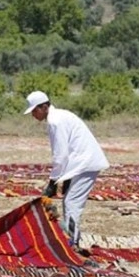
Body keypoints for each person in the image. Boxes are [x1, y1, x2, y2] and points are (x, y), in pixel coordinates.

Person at [24, 91, 109, 250]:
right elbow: (68, 150)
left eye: (35, 110)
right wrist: (65, 178)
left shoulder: (56, 121)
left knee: (71, 202)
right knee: (68, 201)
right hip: (80, 163)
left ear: (44, 107)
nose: (33, 115)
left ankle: (72, 243)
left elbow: (61, 155)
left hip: (86, 163)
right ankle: (69, 238)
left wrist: (53, 182)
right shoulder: (58, 117)